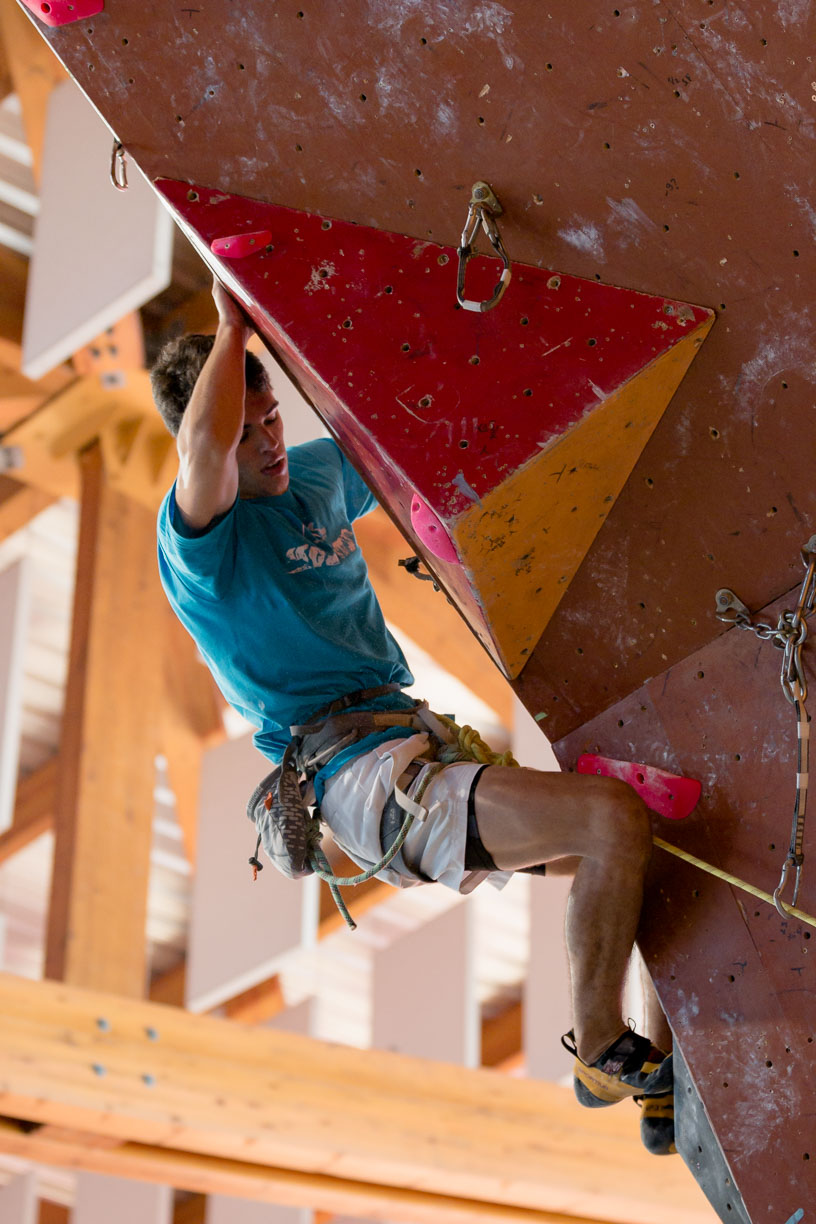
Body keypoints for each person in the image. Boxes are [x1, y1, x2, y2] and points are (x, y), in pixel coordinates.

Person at [152, 279, 674, 1144]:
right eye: (246, 434)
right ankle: (596, 1050)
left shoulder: (312, 476)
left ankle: (660, 1087)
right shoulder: (201, 545)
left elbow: (413, 432)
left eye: (272, 417)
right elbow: (204, 448)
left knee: (639, 849)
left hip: (412, 739)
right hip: (355, 776)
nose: (269, 441)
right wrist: (233, 321)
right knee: (611, 818)